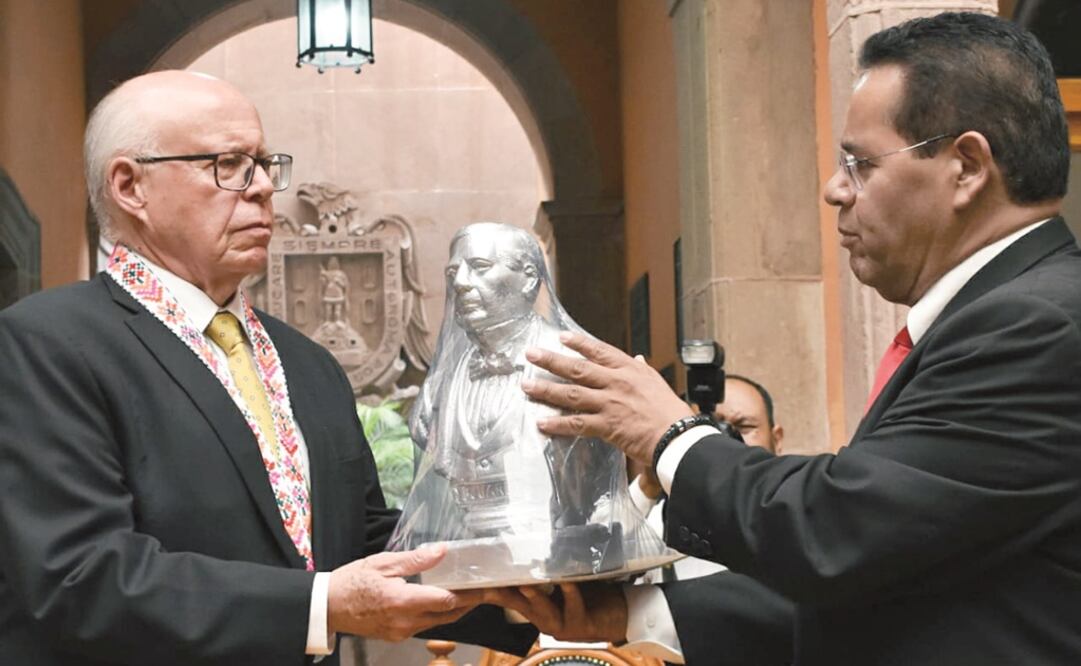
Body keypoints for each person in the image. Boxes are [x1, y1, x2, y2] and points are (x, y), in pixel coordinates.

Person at [504, 12, 1081, 664]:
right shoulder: (1000, 314)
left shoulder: (1036, 326)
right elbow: (889, 569)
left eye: (860, 164)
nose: (833, 190)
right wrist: (629, 611)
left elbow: (836, 531)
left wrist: (669, 435)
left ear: (966, 166)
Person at [0, 71, 534, 665]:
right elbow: (79, 578)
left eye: (262, 163)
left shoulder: (308, 364)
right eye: (228, 164)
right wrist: (322, 605)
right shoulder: (45, 345)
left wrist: (523, 591)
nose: (260, 188)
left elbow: (362, 543)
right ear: (130, 186)